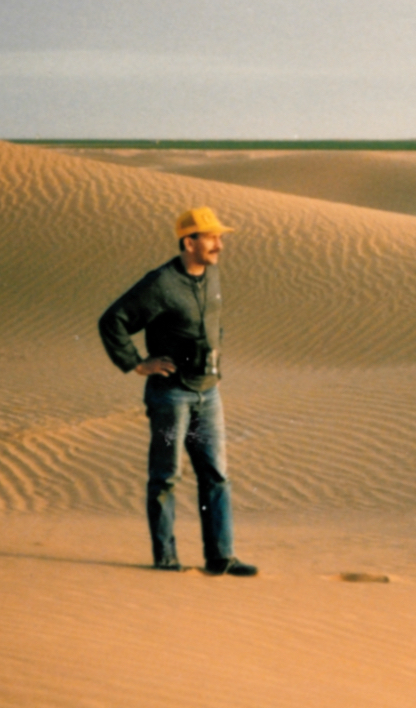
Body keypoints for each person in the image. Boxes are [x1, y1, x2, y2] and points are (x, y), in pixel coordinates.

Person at [98, 206, 258, 576]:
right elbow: (113, 320)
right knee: (166, 476)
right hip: (171, 400)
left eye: (220, 236)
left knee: (215, 475)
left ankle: (221, 556)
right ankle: (166, 558)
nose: (219, 244)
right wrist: (136, 363)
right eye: (211, 237)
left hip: (207, 397)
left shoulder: (212, 275)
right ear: (189, 242)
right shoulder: (160, 283)